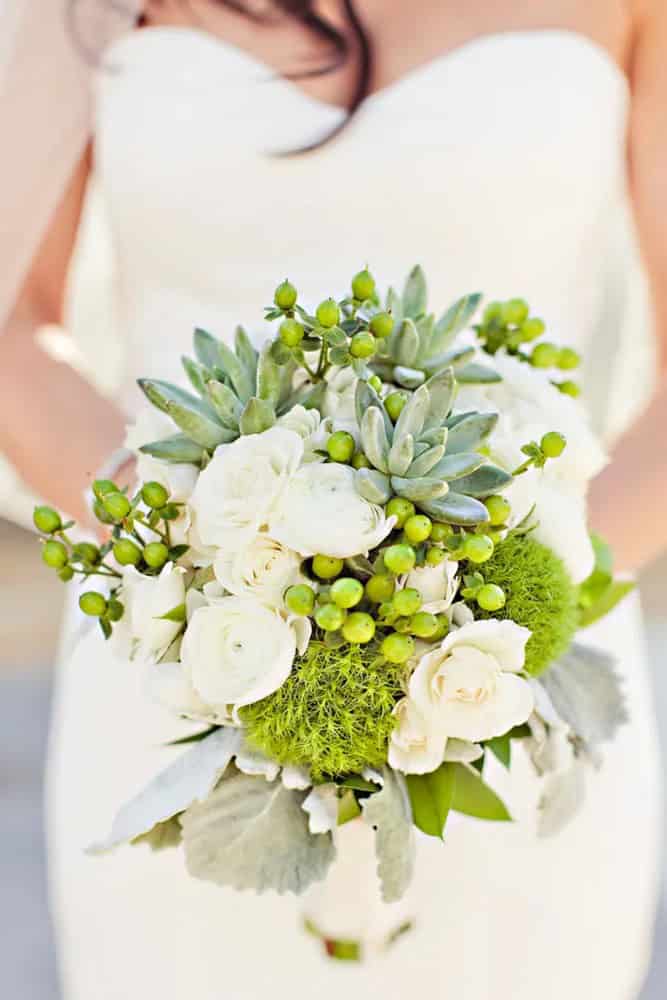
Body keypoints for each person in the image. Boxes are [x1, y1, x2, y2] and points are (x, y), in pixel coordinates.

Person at [0, 1, 664, 997]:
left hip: (521, 673)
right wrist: (197, 566)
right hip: (178, 667)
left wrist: (501, 612)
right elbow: (10, 320)